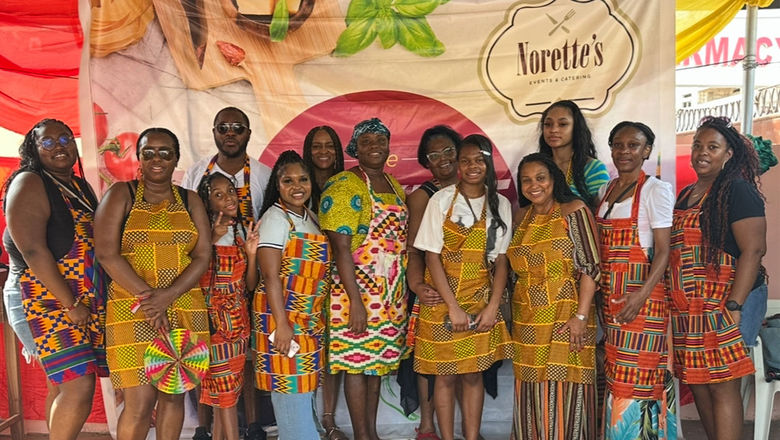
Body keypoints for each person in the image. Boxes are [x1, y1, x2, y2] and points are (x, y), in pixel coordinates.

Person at [95, 127, 212, 440]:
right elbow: (106, 254)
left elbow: (202, 257)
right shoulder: (121, 194)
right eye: (149, 152)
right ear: (139, 157)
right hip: (132, 309)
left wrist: (167, 297)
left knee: (173, 394)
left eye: (165, 152)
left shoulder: (190, 200)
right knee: (139, 402)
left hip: (184, 306)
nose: (157, 159)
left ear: (176, 159)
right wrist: (151, 300)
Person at [3, 119, 108, 440]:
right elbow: (33, 251)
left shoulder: (77, 185)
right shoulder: (30, 182)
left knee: (62, 383)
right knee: (79, 385)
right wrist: (70, 303)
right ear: (33, 149)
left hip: (77, 299)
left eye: (65, 138)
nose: (59, 145)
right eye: (47, 142)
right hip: (45, 298)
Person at [667, 116, 765, 440]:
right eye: (697, 145)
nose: (702, 152)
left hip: (726, 301)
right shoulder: (686, 194)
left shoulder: (737, 190)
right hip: (690, 307)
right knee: (697, 382)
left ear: (728, 154)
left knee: (722, 383)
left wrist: (735, 306)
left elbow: (753, 251)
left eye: (712, 146)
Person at [414, 134, 513, 440]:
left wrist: (493, 307)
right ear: (457, 164)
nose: (472, 166)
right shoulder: (440, 200)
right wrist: (453, 307)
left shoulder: (501, 204)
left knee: (472, 374)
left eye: (479, 160)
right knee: (444, 375)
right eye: (465, 160)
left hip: (481, 301)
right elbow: (431, 256)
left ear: (488, 163)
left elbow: (501, 261)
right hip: (442, 302)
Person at [181, 106, 272, 440]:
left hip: (241, 302)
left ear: (248, 132)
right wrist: (211, 239)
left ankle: (249, 425)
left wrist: (248, 252)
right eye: (223, 127)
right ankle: (205, 428)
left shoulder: (263, 174)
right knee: (218, 387)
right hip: (212, 318)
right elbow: (194, 266)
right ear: (214, 131)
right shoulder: (194, 174)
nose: (230, 132)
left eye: (238, 127)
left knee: (232, 383)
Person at [319, 118, 408, 440]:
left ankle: (370, 433)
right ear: (355, 148)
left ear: (388, 146)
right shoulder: (345, 184)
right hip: (354, 291)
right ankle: (362, 435)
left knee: (375, 365)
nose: (375, 146)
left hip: (389, 293)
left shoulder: (393, 184)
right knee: (356, 363)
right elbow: (340, 248)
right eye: (367, 141)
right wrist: (356, 302)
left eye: (380, 140)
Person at [507, 153, 600, 440]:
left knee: (567, 389)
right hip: (527, 320)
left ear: (554, 180)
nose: (534, 185)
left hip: (567, 315)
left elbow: (591, 267)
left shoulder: (573, 210)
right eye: (526, 180)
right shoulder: (521, 216)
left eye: (540, 178)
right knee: (531, 392)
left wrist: (582, 316)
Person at [596, 122, 677, 439]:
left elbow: (663, 251)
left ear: (647, 151)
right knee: (617, 374)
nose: (624, 151)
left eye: (634, 145)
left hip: (642, 300)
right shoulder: (607, 190)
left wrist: (640, 296)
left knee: (640, 376)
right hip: (612, 300)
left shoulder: (655, 190)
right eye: (618, 144)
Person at [253, 150, 331, 440]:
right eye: (288, 181)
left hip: (307, 320)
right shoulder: (276, 218)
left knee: (305, 394)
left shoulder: (310, 216)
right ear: (278, 184)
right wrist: (282, 325)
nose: (297, 186)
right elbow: (270, 276)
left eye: (303, 179)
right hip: (282, 319)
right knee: (291, 398)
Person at [402, 125, 462, 440]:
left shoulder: (477, 189)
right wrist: (416, 286)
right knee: (429, 361)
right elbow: (414, 252)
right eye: (433, 155)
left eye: (448, 151)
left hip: (470, 289)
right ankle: (427, 426)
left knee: (467, 362)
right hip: (432, 291)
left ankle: (469, 429)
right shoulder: (423, 197)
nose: (442, 160)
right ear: (426, 161)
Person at [196, 172, 260, 440]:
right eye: (218, 195)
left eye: (230, 192)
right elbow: (190, 276)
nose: (228, 198)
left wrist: (252, 253)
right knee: (225, 396)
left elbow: (249, 284)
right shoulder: (199, 232)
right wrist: (210, 239)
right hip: (214, 325)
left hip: (239, 323)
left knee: (228, 391)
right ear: (207, 201)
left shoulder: (240, 230)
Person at [537, 100, 609, 206]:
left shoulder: (593, 168)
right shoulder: (537, 167)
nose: (553, 129)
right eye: (548, 124)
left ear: (576, 128)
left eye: (562, 124)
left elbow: (602, 214)